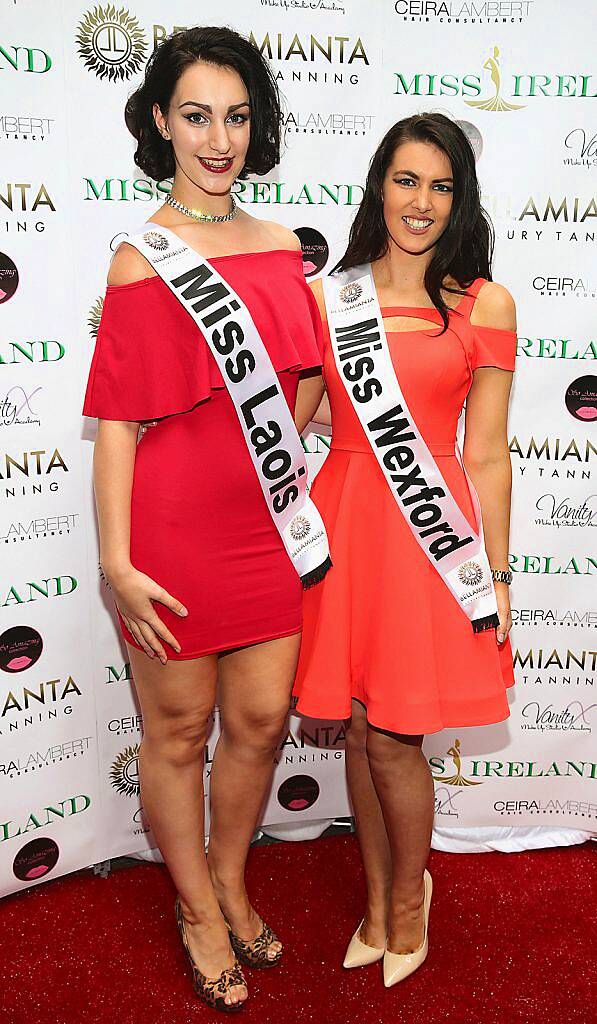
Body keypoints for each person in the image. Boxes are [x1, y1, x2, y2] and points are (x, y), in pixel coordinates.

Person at [83, 26, 328, 1013]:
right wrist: (115, 559)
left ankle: (231, 876)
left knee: (262, 721)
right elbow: (116, 428)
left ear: (256, 124)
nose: (219, 138)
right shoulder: (144, 260)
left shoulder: (278, 249)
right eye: (196, 115)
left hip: (267, 528)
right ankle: (195, 907)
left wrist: (274, 471)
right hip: (172, 533)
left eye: (235, 116)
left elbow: (304, 382)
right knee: (179, 730)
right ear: (160, 121)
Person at [293, 112, 516, 988]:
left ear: (457, 199)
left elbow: (487, 454)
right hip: (343, 523)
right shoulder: (330, 297)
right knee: (354, 728)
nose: (419, 202)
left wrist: (494, 579)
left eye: (440, 185)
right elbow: (300, 414)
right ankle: (380, 894)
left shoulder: (481, 304)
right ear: (378, 184)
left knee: (394, 738)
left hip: (427, 546)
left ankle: (405, 907)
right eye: (405, 180)